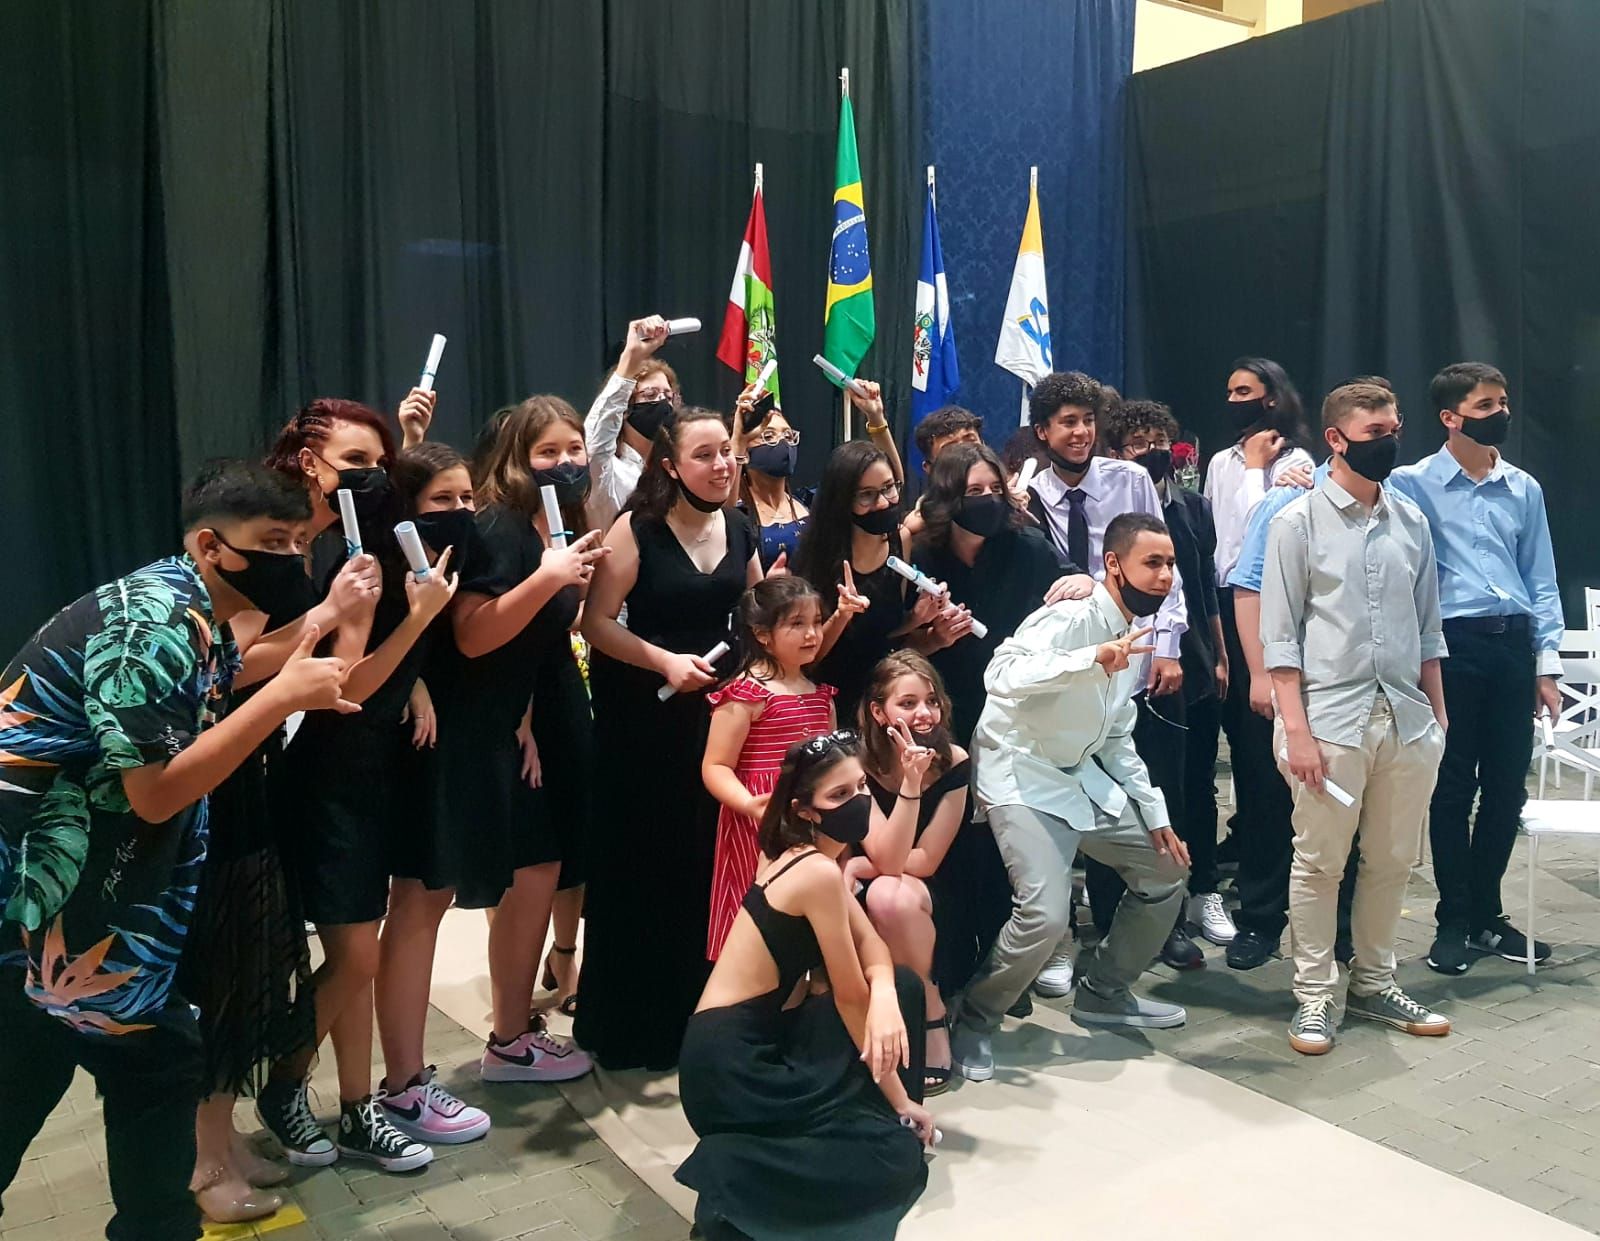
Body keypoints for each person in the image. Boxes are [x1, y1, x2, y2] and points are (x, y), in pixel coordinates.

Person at [0, 461, 359, 1241]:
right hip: (38, 903)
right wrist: (283, 698)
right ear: (210, 545)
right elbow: (156, 792)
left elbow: (226, 675)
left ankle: (160, 1221)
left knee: (141, 1066)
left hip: (76, 900)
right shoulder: (155, 622)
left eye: (298, 543)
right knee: (82, 1064)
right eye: (272, 541)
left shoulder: (185, 606)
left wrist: (316, 634)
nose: (290, 559)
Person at [380, 400, 604, 1119]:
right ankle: (401, 1085)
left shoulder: (548, 525)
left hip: (505, 729)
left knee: (537, 866)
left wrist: (527, 718)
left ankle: (510, 1040)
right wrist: (549, 578)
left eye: (574, 447)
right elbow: (472, 636)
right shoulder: (502, 529)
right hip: (449, 734)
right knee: (424, 898)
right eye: (548, 451)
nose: (565, 462)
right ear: (515, 457)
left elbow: (530, 643)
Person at [260, 399, 461, 1173]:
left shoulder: (363, 540)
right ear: (308, 461)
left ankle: (354, 1107)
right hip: (325, 772)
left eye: (382, 463)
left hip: (371, 768)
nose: (372, 477)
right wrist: (417, 624)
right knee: (352, 956)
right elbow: (346, 687)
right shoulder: (302, 555)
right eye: (356, 463)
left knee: (358, 953)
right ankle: (284, 1086)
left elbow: (369, 668)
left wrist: (414, 676)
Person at [951, 513, 1191, 1082]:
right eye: (1152, 563)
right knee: (1045, 914)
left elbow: (1116, 735)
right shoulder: (1072, 615)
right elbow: (1001, 674)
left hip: (1077, 775)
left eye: (1170, 564)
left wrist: (1155, 813)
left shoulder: (1133, 633)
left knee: (1166, 869)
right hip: (1020, 772)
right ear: (1114, 565)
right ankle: (975, 1017)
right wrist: (1091, 658)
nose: (1164, 576)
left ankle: (1104, 991)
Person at [675, 732, 933, 1241]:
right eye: (839, 795)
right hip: (735, 1068)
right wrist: (902, 1101)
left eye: (861, 787)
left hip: (753, 1040)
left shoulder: (812, 858)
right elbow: (850, 996)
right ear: (805, 810)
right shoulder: (814, 871)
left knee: (901, 989)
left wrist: (884, 992)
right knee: (890, 1148)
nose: (858, 801)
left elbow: (872, 948)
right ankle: (743, 1197)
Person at [1261, 382, 1451, 1056]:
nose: (1389, 440)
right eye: (1375, 431)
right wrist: (1297, 732)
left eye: (1394, 428)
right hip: (1328, 722)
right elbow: (1280, 642)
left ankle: (1375, 982)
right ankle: (1315, 994)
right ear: (1336, 439)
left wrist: (1438, 720)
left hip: (1407, 721)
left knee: (1394, 861)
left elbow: (1429, 631)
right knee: (1320, 864)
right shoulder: (1296, 523)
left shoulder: (1413, 521)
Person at [577, 408, 762, 1069]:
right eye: (704, 455)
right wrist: (662, 662)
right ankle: (637, 1028)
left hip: (718, 723)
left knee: (705, 867)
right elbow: (595, 622)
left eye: (726, 453)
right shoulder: (637, 528)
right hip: (645, 720)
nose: (721, 465)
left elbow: (758, 615)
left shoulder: (741, 526)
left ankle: (702, 1021)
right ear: (670, 466)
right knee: (645, 865)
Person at [1389, 362, 1565, 973]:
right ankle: (1454, 918)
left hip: (1512, 644)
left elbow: (1541, 579)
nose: (1501, 413)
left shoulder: (1523, 487)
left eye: (1503, 401)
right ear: (1451, 417)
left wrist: (1546, 665)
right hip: (1452, 647)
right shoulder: (1412, 484)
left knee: (1507, 786)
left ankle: (1488, 914)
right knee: (1452, 785)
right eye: (1486, 405)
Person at [1022, 371, 1188, 990]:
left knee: (1136, 794)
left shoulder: (1130, 480)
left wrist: (1167, 647)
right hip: (1068, 671)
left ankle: (1146, 929)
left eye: (1087, 421)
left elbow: (1164, 565)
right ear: (1043, 431)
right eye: (1067, 422)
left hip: (1133, 663)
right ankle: (1063, 935)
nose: (1080, 432)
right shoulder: (1027, 493)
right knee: (1067, 801)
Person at [1094, 400, 1231, 963]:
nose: (1151, 451)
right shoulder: (1112, 508)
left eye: (1159, 440)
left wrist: (1218, 653)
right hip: (1120, 668)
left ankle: (1197, 895)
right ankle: (1125, 915)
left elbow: (1200, 586)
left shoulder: (1193, 507)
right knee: (1126, 790)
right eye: (1139, 442)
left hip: (1184, 660)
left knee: (1190, 784)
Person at [852, 652, 1012, 1095]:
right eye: (908, 703)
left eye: (931, 701)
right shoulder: (857, 762)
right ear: (878, 711)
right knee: (880, 891)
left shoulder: (953, 760)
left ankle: (930, 1007)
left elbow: (923, 861)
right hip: (873, 888)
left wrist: (865, 863)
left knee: (887, 893)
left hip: (935, 896)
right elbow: (885, 851)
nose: (924, 713)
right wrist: (872, 863)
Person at [1204, 357, 1314, 970]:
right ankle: (1257, 907)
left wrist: (1256, 470)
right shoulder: (1223, 461)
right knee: (1249, 771)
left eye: (1244, 391)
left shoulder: (1298, 464)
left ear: (1272, 398)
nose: (1233, 400)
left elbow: (1259, 542)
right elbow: (1219, 544)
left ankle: (1303, 913)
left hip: (1277, 610)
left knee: (1278, 775)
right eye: (1228, 391)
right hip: (1226, 610)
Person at [909, 441, 1089, 742]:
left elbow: (1077, 580)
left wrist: (1085, 582)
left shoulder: (1028, 545)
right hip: (945, 709)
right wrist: (935, 638)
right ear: (949, 497)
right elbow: (898, 648)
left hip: (1018, 709)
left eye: (996, 489)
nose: (989, 499)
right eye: (975, 491)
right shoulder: (921, 555)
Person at [701, 576, 837, 958]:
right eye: (797, 623)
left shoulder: (822, 696)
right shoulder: (745, 694)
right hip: (757, 823)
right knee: (755, 923)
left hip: (811, 818)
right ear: (762, 634)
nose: (812, 634)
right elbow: (715, 765)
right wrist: (749, 804)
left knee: (805, 925)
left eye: (817, 622)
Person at [797, 399, 950, 722]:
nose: (882, 503)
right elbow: (807, 659)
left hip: (883, 699)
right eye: (866, 495)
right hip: (827, 701)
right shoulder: (816, 557)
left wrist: (917, 619)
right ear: (842, 500)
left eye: (888, 489)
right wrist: (841, 615)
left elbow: (883, 636)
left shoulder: (900, 541)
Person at [584, 315, 680, 531]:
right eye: (650, 395)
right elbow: (595, 444)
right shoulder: (610, 472)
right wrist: (630, 359)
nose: (662, 402)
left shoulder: (675, 469)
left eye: (668, 396)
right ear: (625, 408)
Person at [731, 389, 811, 572]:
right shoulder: (737, 512)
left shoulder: (808, 501)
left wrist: (875, 419)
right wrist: (738, 441)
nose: (782, 442)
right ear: (745, 450)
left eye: (788, 435)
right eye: (768, 436)